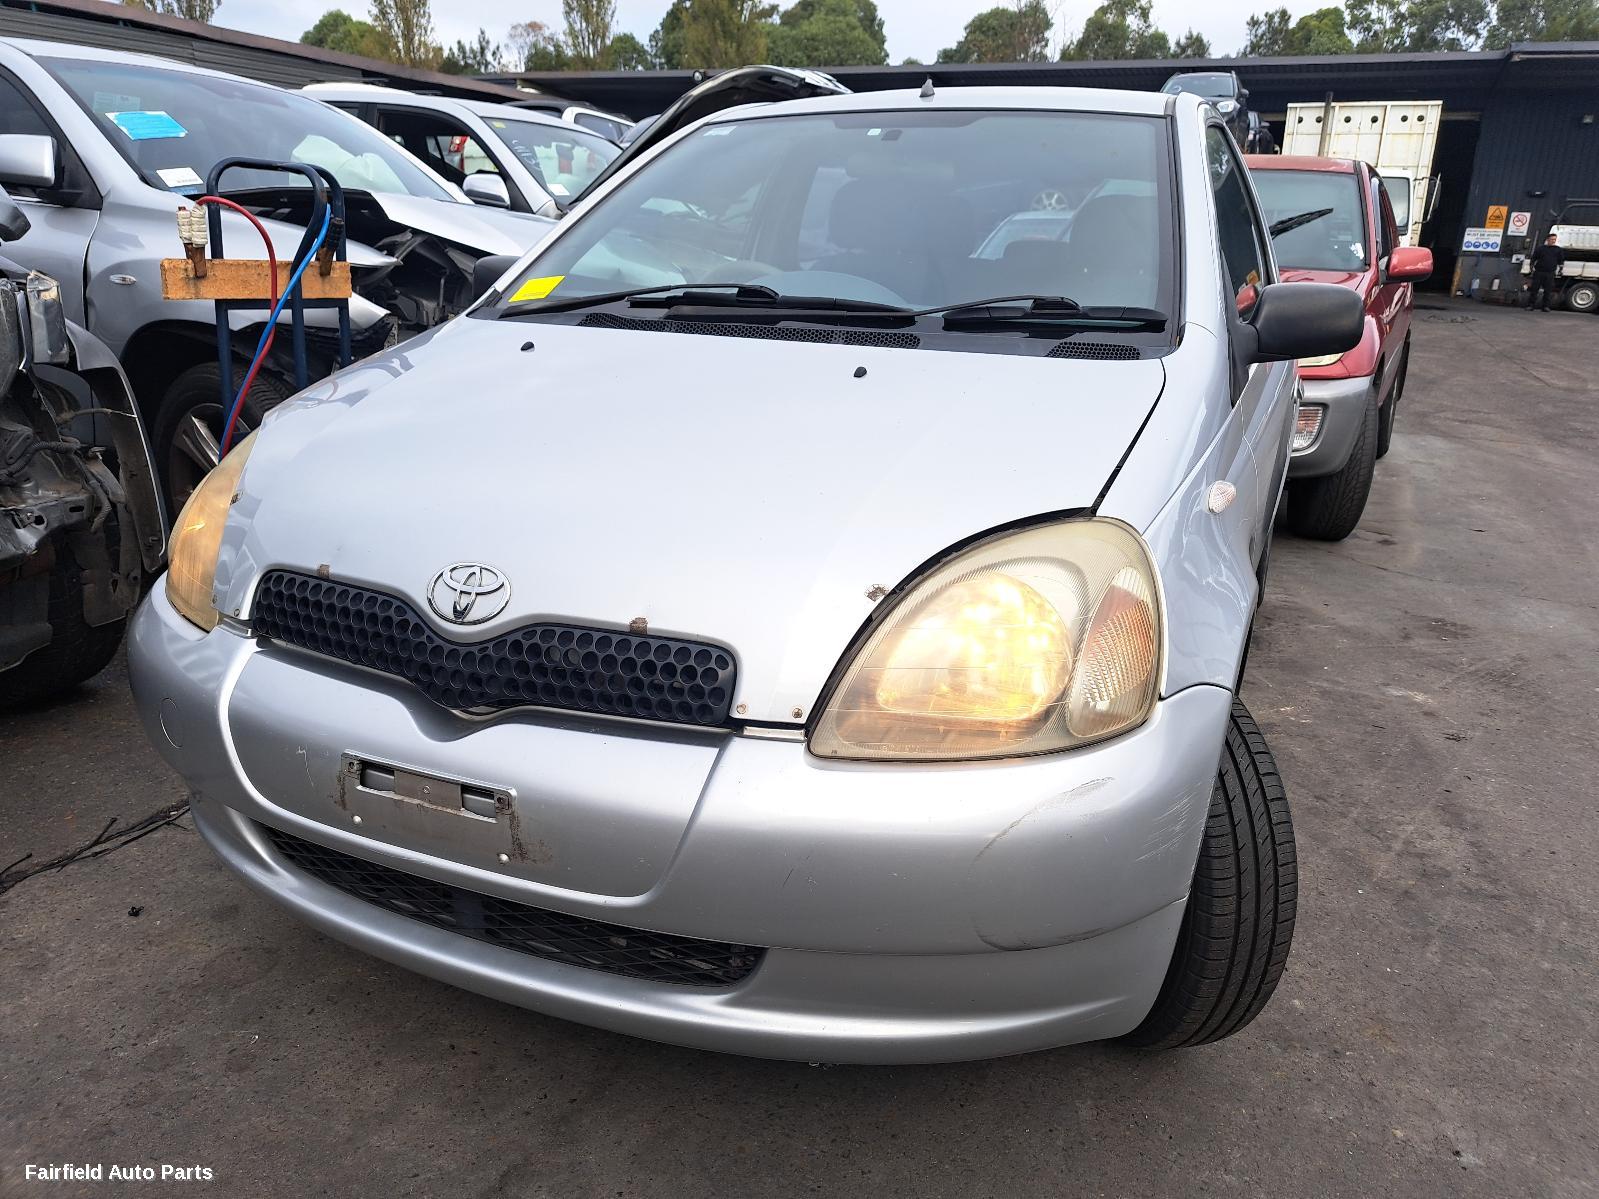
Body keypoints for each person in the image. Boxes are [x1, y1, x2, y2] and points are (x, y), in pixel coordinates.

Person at [1527, 234, 1565, 311]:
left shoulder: (1558, 249)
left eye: (1554, 239)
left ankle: (1545, 306)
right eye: (1552, 239)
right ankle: (1531, 305)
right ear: (1548, 239)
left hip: (1550, 273)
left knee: (1548, 290)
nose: (1553, 241)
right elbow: (1534, 258)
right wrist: (1531, 268)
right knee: (1534, 289)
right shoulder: (1540, 248)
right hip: (1539, 272)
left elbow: (1561, 260)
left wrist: (1561, 269)